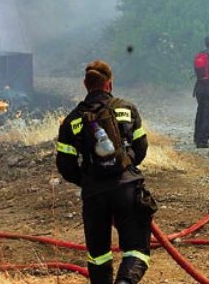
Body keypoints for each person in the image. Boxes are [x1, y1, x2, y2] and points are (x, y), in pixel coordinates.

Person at [56, 60, 157, 284]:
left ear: (85, 84)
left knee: (99, 255)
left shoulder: (72, 120)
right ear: (109, 85)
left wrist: (89, 180)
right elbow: (141, 148)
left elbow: (65, 165)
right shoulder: (126, 109)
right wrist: (125, 167)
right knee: (137, 250)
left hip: (94, 195)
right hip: (127, 189)